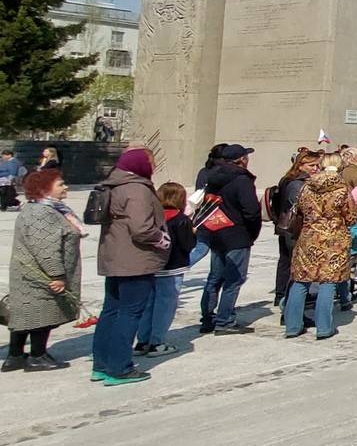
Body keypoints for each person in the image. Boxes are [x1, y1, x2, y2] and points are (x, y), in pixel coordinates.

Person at [92, 148, 168, 385]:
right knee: (130, 312)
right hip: (135, 260)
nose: (154, 165)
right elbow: (141, 228)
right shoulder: (137, 189)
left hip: (113, 256)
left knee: (111, 311)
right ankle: (120, 367)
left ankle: (102, 364)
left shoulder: (113, 185)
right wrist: (161, 238)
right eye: (151, 161)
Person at [2, 168, 83, 371]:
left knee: (25, 313)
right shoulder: (42, 213)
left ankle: (16, 355)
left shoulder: (46, 208)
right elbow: (46, 248)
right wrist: (57, 275)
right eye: (61, 184)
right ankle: (37, 356)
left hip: (30, 274)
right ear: (44, 189)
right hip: (41, 275)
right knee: (41, 313)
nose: (66, 187)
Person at [285, 159, 355, 339]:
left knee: (301, 280)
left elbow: (299, 210)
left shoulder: (306, 187)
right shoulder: (342, 190)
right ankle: (324, 327)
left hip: (308, 237)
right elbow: (351, 217)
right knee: (328, 282)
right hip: (334, 240)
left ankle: (292, 326)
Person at [198, 144, 263, 335]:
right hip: (237, 233)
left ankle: (208, 317)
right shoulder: (242, 180)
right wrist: (252, 232)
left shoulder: (213, 176)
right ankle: (224, 320)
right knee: (233, 279)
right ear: (241, 160)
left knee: (214, 277)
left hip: (216, 231)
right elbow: (251, 211)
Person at [134, 182, 194, 357]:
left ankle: (142, 341)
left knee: (149, 304)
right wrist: (193, 232)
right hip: (172, 268)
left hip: (152, 266)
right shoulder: (181, 219)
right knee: (165, 306)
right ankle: (157, 342)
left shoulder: (153, 216)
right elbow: (188, 244)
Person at [268, 152, 317, 308]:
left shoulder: (288, 180)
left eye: (317, 165)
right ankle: (289, 302)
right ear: (300, 165)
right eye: (312, 165)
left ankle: (282, 295)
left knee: (285, 262)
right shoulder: (297, 183)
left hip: (285, 226)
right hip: (294, 228)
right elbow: (302, 206)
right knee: (295, 265)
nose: (315, 168)